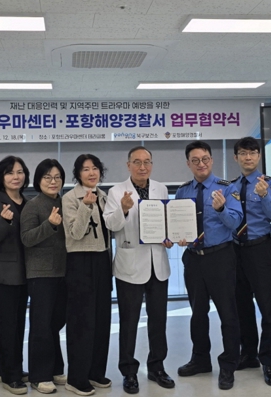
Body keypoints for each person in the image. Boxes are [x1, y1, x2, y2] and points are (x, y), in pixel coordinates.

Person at [103, 146, 175, 394]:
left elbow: (165, 222)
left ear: (152, 165)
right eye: (137, 162)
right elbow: (110, 225)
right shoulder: (115, 191)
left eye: (147, 162)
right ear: (128, 165)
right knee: (129, 321)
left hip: (158, 265)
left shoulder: (161, 189)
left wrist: (169, 237)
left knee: (158, 320)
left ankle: (157, 367)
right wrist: (123, 208)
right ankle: (129, 371)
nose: (142, 167)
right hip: (130, 266)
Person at [174, 140, 243, 391]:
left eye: (205, 159)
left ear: (211, 160)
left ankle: (229, 364)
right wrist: (176, 236)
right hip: (194, 257)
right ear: (188, 164)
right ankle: (200, 359)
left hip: (220, 257)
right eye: (195, 160)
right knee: (197, 312)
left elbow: (236, 222)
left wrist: (221, 208)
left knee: (227, 313)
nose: (200, 164)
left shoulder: (227, 188)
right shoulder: (183, 191)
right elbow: (177, 223)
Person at [229, 136, 271, 386]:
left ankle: (269, 362)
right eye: (243, 153)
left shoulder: (269, 183)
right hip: (235, 250)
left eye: (252, 153)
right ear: (236, 157)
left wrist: (263, 196)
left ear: (259, 156)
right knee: (242, 306)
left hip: (260, 248)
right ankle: (248, 354)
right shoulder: (231, 186)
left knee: (267, 307)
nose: (248, 157)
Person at [61, 154, 112, 396]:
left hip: (102, 260)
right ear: (78, 174)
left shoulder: (104, 196)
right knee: (81, 321)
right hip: (80, 261)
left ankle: (95, 371)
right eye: (85, 169)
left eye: (95, 168)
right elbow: (75, 233)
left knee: (102, 319)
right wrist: (85, 206)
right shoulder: (70, 198)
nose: (91, 173)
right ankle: (76, 378)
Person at [21, 159, 68, 394]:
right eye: (47, 177)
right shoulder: (33, 206)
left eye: (57, 177)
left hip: (64, 271)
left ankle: (56, 368)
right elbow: (27, 239)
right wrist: (49, 224)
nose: (53, 181)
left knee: (55, 324)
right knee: (41, 325)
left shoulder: (66, 203)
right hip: (40, 274)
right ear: (38, 180)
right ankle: (39, 375)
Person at [0, 156, 30, 394]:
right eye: (10, 173)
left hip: (25, 272)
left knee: (19, 324)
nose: (16, 177)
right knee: (7, 325)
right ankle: (11, 376)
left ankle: (8, 368)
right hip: (4, 274)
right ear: (1, 178)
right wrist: (4, 221)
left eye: (20, 172)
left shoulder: (28, 202)